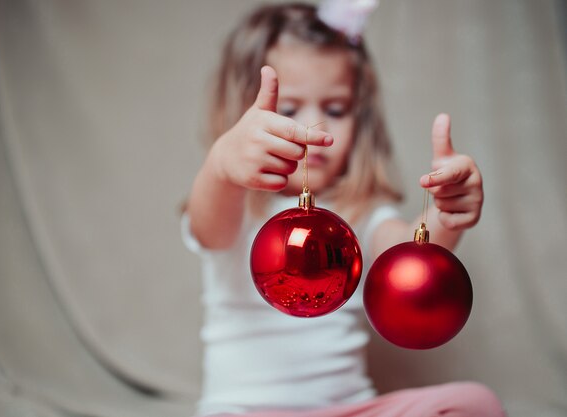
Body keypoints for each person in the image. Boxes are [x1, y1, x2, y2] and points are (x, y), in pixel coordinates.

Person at [182, 3, 503, 416]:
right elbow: (209, 223)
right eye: (290, 109)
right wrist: (223, 163)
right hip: (244, 411)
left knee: (476, 403)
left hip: (349, 410)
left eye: (335, 109)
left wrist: (445, 212)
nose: (315, 127)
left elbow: (409, 257)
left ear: (360, 118)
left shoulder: (361, 214)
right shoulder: (232, 202)